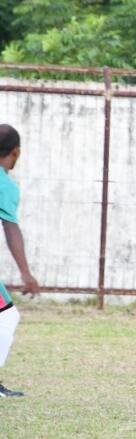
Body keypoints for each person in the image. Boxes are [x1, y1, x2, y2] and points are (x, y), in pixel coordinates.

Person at [0, 125, 40, 398]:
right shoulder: (5, 185)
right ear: (16, 153)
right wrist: (26, 273)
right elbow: (10, 228)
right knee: (7, 317)